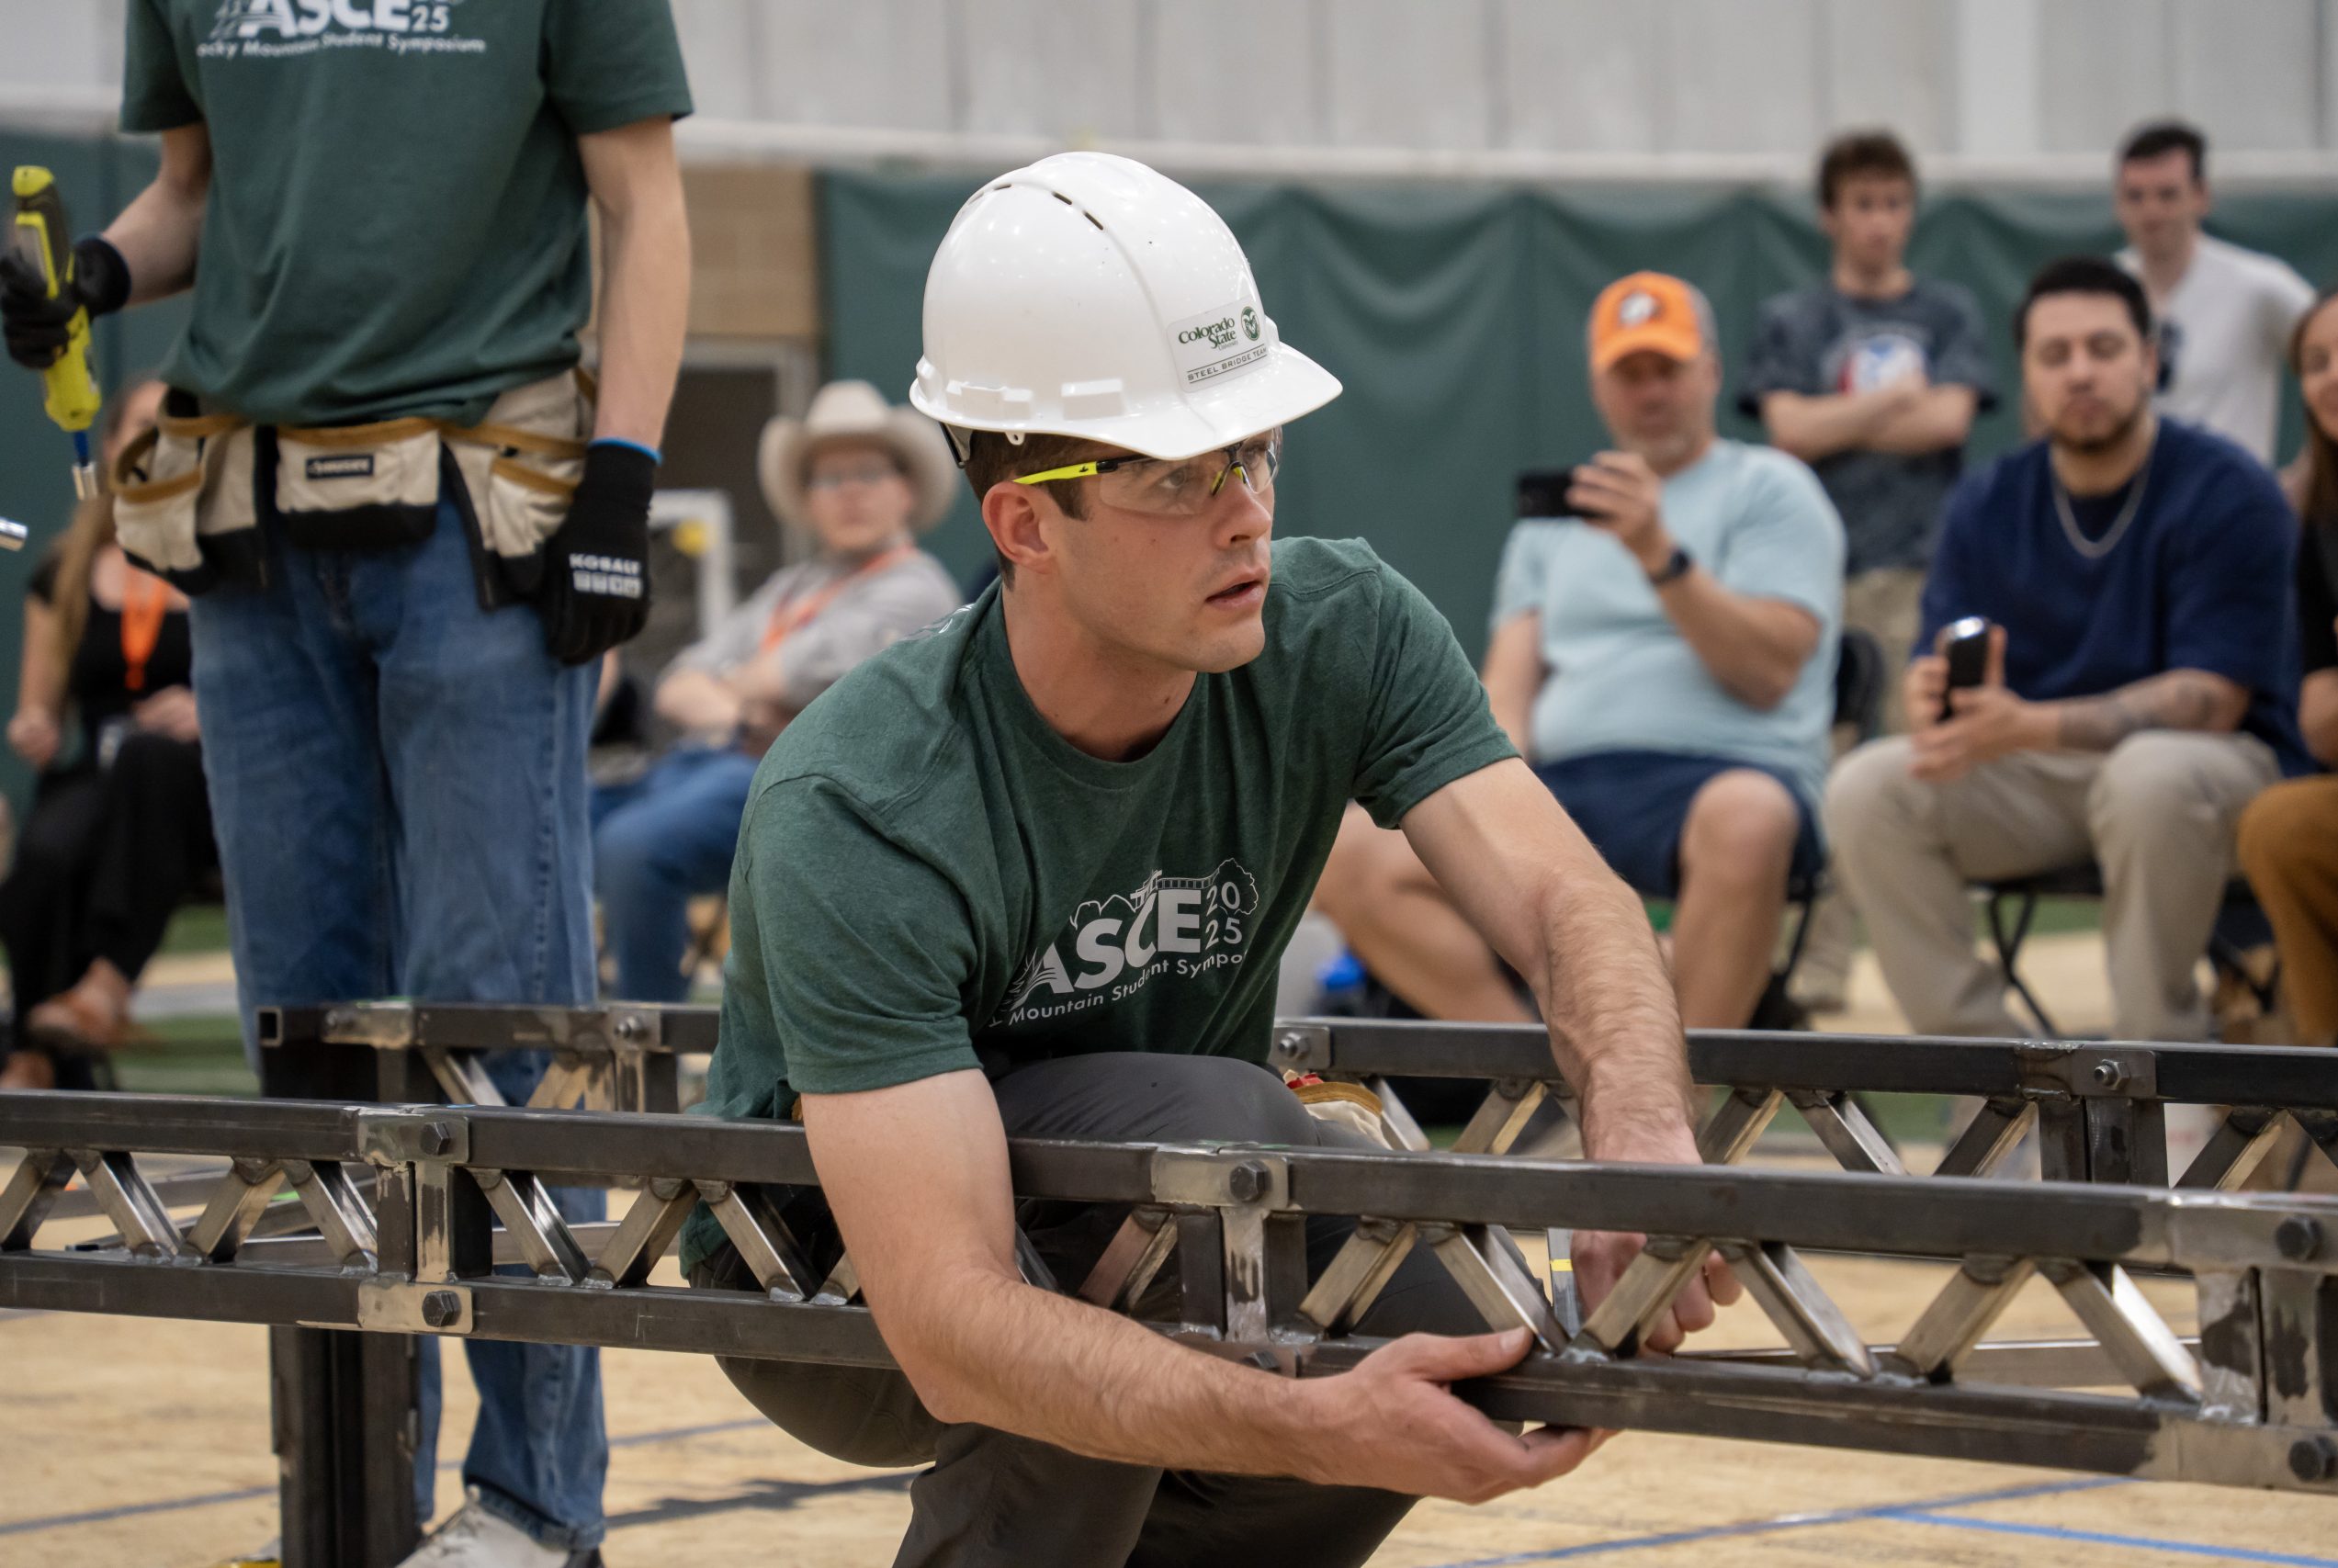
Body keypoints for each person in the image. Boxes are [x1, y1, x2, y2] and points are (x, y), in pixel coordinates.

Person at [681, 154, 1734, 1568]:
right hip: (831, 1282)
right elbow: (949, 1321)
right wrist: (1306, 1418)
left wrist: (1641, 1140)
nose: (1247, 511)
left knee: (1422, 1315)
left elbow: (1569, 899)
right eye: (1180, 474)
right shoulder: (862, 797)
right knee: (1195, 1139)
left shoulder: (1339, 623)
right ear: (1025, 524)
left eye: (1257, 449)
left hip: (1175, 1174)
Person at [0, 1, 695, 1561]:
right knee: (302, 1049)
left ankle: (530, 1509)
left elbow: (644, 199)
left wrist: (626, 477)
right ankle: (349, 1501)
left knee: (494, 1028)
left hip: (479, 506)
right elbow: (195, 188)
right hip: (247, 526)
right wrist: (102, 269)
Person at [1316, 272, 1843, 1032]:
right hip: (1567, 781)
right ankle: (1550, 1080)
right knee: (1353, 852)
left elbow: (1767, 673)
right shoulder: (1550, 528)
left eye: (1668, 369)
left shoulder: (1773, 488)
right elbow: (1507, 692)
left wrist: (1656, 549)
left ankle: (1676, 1117)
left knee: (1749, 818)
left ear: (1712, 374)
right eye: (1630, 372)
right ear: (1600, 387)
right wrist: (1484, 801)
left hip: (1724, 775)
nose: (1650, 391)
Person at [1825, 257, 2307, 1044]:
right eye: (2055, 355)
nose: (2080, 371)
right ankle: (1996, 1084)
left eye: (2103, 349)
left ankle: (2166, 1075)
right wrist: (1932, 695)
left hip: (2216, 770)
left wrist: (2027, 726)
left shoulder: (2228, 488)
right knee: (1867, 788)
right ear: (2027, 375)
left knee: (2147, 775)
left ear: (2149, 361)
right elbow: (1942, 653)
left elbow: (2213, 699)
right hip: (2037, 779)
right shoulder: (1988, 498)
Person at [593, 379, 961, 1002]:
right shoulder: (792, 583)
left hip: (800, 787)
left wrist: (731, 689)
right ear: (808, 499)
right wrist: (745, 704)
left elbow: (781, 676)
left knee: (635, 848)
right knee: (562, 826)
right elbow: (677, 683)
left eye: (867, 472)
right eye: (828, 477)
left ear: (907, 488)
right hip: (706, 764)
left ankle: (644, 1043)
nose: (848, 492)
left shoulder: (917, 587)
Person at [1742, 129, 1998, 1012]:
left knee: (1921, 768)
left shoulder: (1952, 312)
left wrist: (1838, 415)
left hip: (1927, 575)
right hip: (1818, 577)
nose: (1879, 221)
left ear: (1911, 212)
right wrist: (1895, 401)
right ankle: (1817, 972)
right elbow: (1790, 433)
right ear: (1830, 214)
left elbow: (1949, 425)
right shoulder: (1793, 319)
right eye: (1862, 203)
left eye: (1894, 203)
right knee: (1820, 772)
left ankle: (1926, 971)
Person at [0, 379, 217, 1089]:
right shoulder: (65, 571)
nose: (153, 446)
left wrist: (207, 705)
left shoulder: (226, 565)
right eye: (138, 429)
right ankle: (41, 1044)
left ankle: (106, 983)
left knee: (153, 765)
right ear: (112, 447)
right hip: (98, 766)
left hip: (198, 777)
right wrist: (33, 724)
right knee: (46, 850)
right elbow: (41, 709)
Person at [2237, 284, 2338, 1050]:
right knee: (2281, 823)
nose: (2335, 374)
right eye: (2315, 361)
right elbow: (2322, 730)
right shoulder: (2317, 526)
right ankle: (2333, 1082)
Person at [2114, 119, 2314, 462]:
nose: (2151, 211)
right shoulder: (2099, 290)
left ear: (2201, 196)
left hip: (2233, 504)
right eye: (2135, 196)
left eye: (2167, 194)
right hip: (2130, 507)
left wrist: (2309, 477)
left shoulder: (2258, 286)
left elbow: (2334, 348)